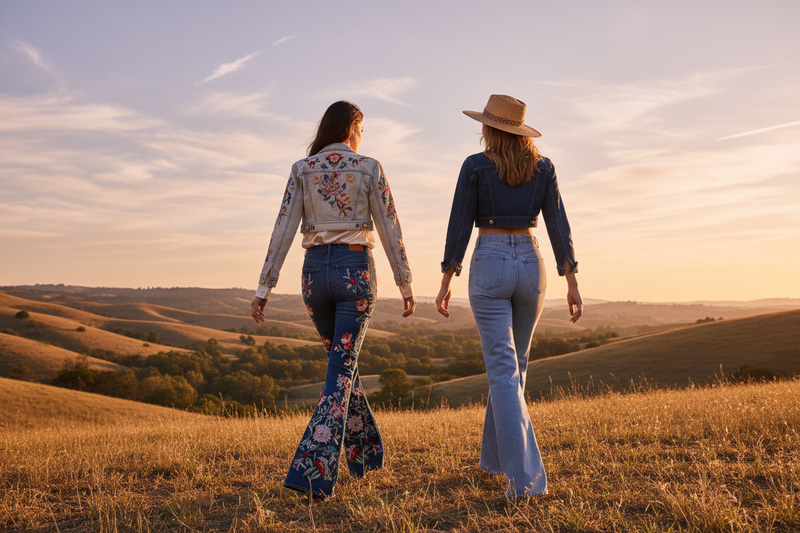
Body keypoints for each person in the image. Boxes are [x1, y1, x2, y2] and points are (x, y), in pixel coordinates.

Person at [251, 100, 416, 499]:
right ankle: (312, 473)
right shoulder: (369, 167)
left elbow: (282, 229)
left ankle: (367, 456)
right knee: (341, 373)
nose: (361, 138)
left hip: (314, 278)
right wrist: (405, 281)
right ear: (352, 126)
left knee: (343, 367)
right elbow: (389, 224)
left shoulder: (302, 170)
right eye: (361, 130)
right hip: (355, 272)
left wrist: (264, 287)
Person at [436, 94, 583, 498]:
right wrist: (571, 280)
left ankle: (527, 483)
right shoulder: (543, 168)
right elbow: (558, 225)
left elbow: (459, 224)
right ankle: (495, 460)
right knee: (514, 366)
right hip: (531, 264)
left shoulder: (475, 166)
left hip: (490, 259)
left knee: (503, 370)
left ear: (489, 128)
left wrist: (448, 276)